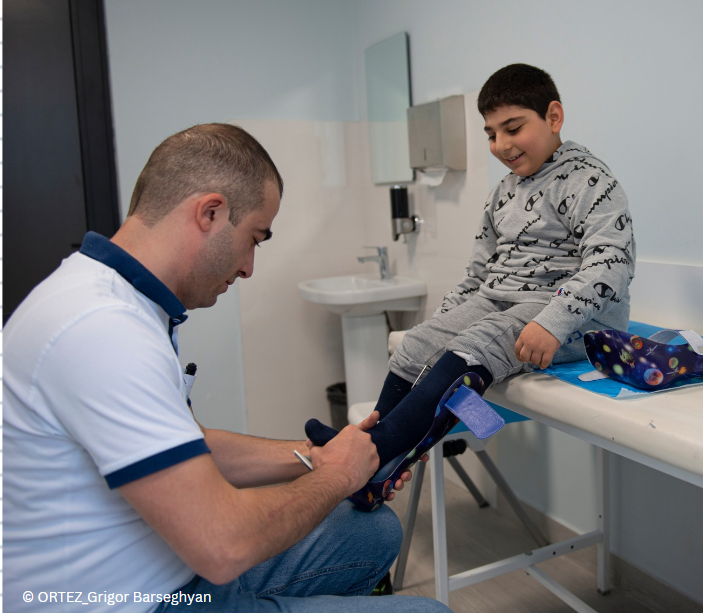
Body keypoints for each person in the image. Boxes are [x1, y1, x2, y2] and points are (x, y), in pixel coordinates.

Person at [3, 123, 449, 613]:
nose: (249, 268)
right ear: (210, 212)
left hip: (168, 567)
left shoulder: (129, 304)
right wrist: (338, 476)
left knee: (371, 532)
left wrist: (316, 455)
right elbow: (223, 546)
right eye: (255, 238)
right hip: (130, 599)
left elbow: (192, 445)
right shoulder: (102, 329)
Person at [307, 63, 636, 476]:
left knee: (479, 342)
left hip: (569, 318)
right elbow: (479, 273)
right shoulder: (503, 192)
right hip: (500, 301)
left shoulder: (590, 181)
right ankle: (366, 447)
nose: (501, 145)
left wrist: (552, 322)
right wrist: (443, 325)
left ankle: (375, 453)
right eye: (491, 134)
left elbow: (611, 263)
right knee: (417, 342)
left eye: (513, 128)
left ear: (553, 117)